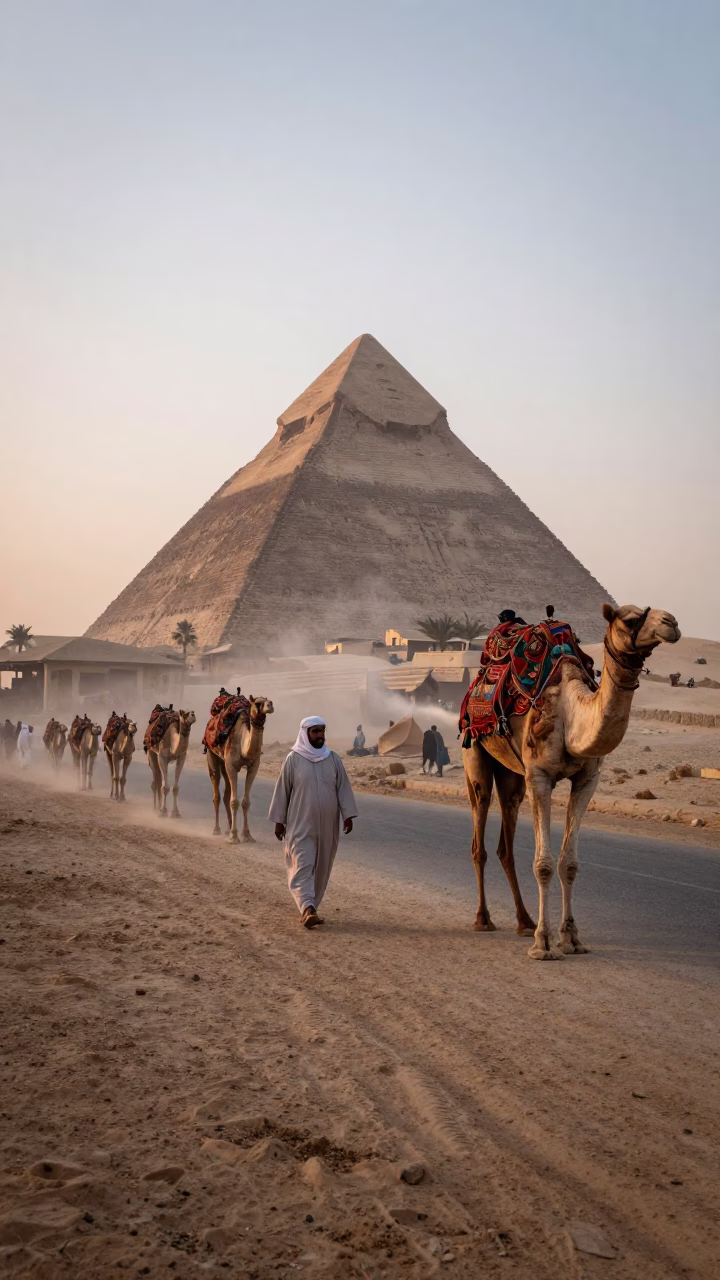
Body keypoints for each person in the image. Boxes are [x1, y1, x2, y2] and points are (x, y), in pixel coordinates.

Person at [269, 716, 357, 929]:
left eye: (322, 731)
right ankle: (307, 907)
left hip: (328, 826)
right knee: (302, 863)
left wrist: (348, 815)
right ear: (305, 733)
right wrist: (279, 820)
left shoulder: (333, 759)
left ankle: (311, 906)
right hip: (300, 823)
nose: (320, 736)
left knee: (322, 867)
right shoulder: (293, 759)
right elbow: (283, 790)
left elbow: (343, 788)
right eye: (315, 731)